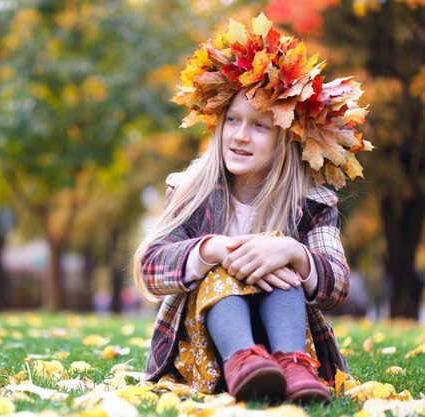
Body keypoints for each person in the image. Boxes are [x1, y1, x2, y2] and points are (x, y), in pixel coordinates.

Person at [133, 13, 371, 403]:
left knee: (275, 250)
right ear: (220, 124)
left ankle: (294, 366)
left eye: (260, 126)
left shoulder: (310, 202)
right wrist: (209, 250)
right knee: (225, 259)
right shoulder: (191, 191)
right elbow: (150, 268)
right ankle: (242, 360)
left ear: (286, 137)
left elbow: (337, 284)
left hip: (284, 349)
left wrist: (293, 253)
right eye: (233, 121)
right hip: (205, 356)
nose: (241, 137)